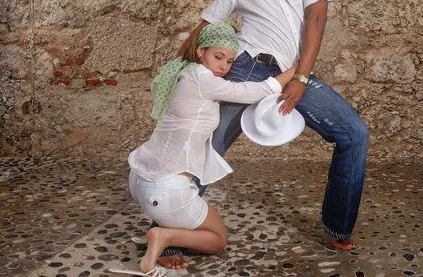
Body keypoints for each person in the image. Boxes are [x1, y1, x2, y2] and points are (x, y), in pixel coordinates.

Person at [166, 0, 370, 268]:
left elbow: (317, 19)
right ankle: (168, 234)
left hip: (292, 71)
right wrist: (177, 72)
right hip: (245, 68)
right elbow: (205, 27)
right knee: (205, 144)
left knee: (354, 134)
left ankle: (338, 228)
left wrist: (303, 77)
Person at [119, 23, 297, 276]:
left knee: (197, 219)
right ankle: (163, 236)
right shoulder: (203, 79)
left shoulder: (186, 73)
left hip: (139, 179)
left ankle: (164, 231)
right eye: (218, 57)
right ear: (201, 51)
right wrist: (297, 71)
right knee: (217, 240)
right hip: (165, 190)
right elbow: (253, 91)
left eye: (229, 61)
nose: (223, 66)